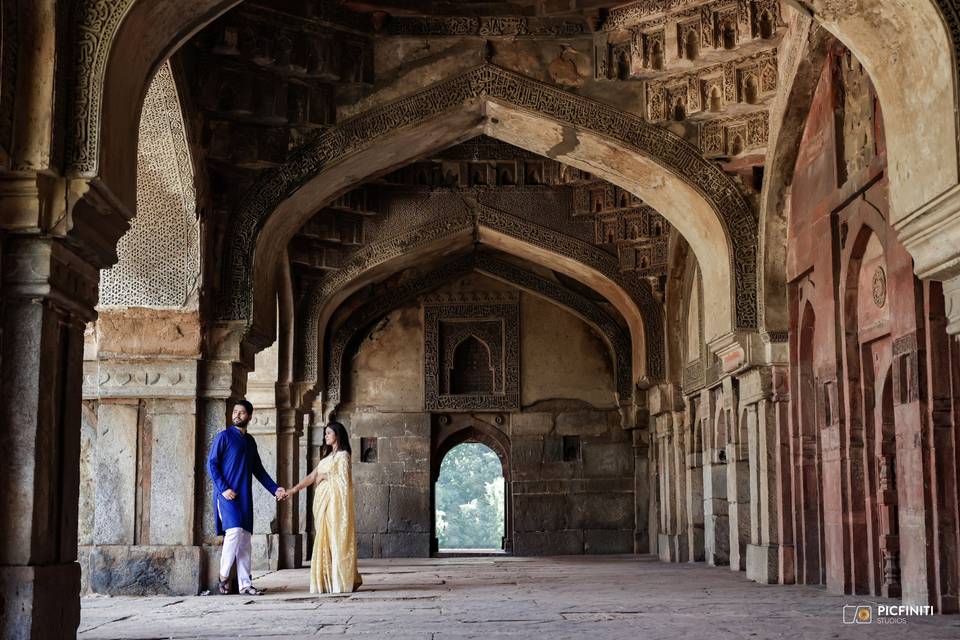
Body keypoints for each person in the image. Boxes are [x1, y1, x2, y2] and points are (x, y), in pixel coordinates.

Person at [207, 399, 286, 595]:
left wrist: (275, 489)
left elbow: (258, 470)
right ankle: (223, 576)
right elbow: (212, 464)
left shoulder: (250, 442)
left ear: (249, 416)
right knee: (233, 532)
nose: (237, 415)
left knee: (245, 540)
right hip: (226, 496)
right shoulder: (223, 437)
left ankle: (245, 584)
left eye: (241, 412)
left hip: (244, 497)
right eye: (235, 411)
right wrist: (224, 488)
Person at [285, 421, 362, 594]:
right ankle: (326, 582)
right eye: (325, 433)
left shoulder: (343, 456)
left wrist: (326, 476)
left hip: (335, 506)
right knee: (324, 539)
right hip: (323, 506)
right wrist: (293, 490)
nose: (326, 436)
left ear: (337, 435)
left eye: (329, 433)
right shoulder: (326, 458)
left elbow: (344, 483)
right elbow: (312, 476)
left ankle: (340, 581)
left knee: (336, 539)